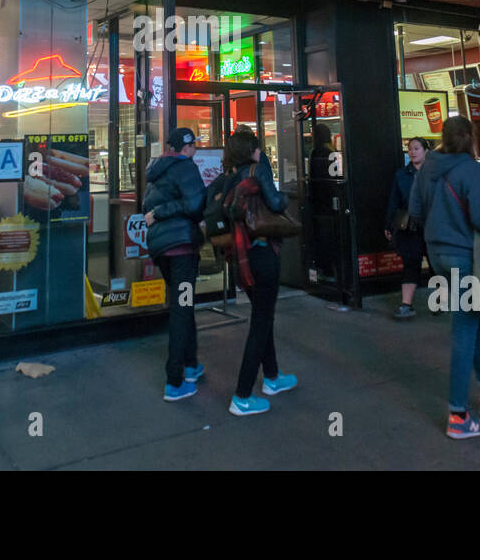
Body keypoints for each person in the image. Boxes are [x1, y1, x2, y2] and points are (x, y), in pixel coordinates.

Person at [408, 116, 480, 440]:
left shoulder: (427, 166)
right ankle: (457, 415)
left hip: (436, 254)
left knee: (475, 320)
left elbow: (414, 211)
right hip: (463, 256)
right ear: (469, 138)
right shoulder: (471, 169)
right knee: (465, 329)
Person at [221, 125, 296, 416]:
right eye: (256, 146)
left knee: (263, 317)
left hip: (241, 258)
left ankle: (274, 377)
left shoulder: (229, 179)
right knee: (261, 322)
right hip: (262, 254)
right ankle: (242, 395)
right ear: (251, 151)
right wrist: (285, 199)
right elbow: (276, 202)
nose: (259, 150)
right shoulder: (257, 172)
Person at [144, 127, 207, 401]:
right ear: (186, 147)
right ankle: (175, 380)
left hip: (162, 250)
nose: (195, 150)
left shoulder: (157, 171)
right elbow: (195, 204)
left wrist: (158, 213)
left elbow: (147, 208)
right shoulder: (186, 168)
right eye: (194, 146)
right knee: (182, 309)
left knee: (184, 304)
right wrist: (162, 212)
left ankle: (191, 365)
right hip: (181, 249)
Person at [384, 137, 429, 319]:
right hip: (410, 227)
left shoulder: (434, 173)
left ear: (426, 151)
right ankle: (406, 304)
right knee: (411, 263)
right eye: (410, 149)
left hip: (433, 225)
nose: (412, 152)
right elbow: (393, 201)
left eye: (417, 148)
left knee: (438, 265)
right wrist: (388, 224)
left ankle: (443, 301)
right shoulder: (401, 175)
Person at [307, 123, 337, 282]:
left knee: (322, 238)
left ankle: (325, 270)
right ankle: (332, 269)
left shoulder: (316, 152)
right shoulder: (332, 152)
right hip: (331, 203)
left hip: (320, 204)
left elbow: (314, 181)